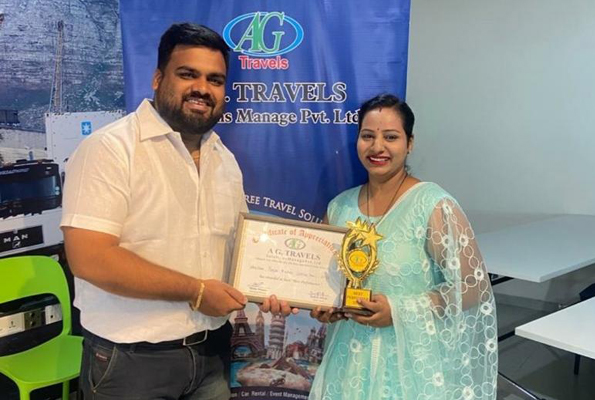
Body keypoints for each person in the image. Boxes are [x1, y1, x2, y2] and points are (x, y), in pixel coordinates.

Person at [61, 23, 292, 400]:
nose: (202, 88)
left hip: (212, 355)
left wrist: (275, 286)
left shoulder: (224, 160)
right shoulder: (110, 149)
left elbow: (242, 251)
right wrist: (196, 292)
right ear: (157, 78)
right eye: (188, 74)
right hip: (132, 364)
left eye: (215, 80)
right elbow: (89, 258)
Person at [309, 94, 497, 400]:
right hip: (346, 367)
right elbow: (325, 284)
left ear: (409, 143)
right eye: (367, 136)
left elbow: (473, 286)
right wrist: (324, 306)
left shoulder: (433, 205)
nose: (377, 147)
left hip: (410, 370)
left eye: (391, 137)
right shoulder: (339, 207)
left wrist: (398, 310)